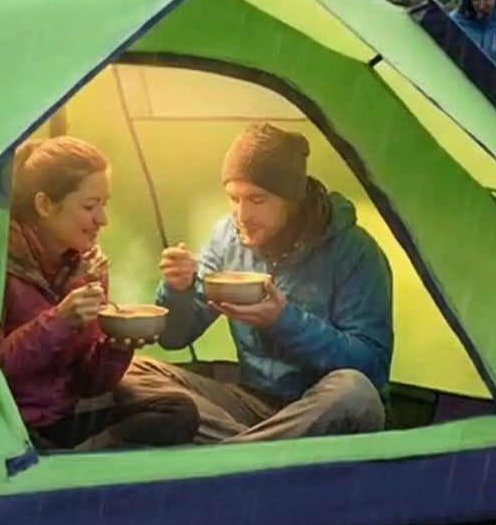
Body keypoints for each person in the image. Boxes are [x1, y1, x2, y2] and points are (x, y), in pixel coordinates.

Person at [114, 123, 392, 442]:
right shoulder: (227, 238)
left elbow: (372, 367)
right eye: (234, 198)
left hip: (321, 406)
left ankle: (238, 453)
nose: (242, 215)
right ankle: (253, 450)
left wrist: (284, 321)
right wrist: (178, 290)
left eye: (257, 200)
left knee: (355, 393)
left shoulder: (353, 252)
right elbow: (175, 337)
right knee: (132, 372)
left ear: (292, 199)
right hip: (252, 403)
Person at [0, 137, 198, 451]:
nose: (102, 219)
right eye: (90, 206)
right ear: (44, 205)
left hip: (64, 417)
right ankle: (74, 466)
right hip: (5, 423)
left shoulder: (89, 268)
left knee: (178, 412)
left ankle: (74, 463)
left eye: (104, 204)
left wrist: (117, 347)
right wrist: (58, 321)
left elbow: (88, 384)